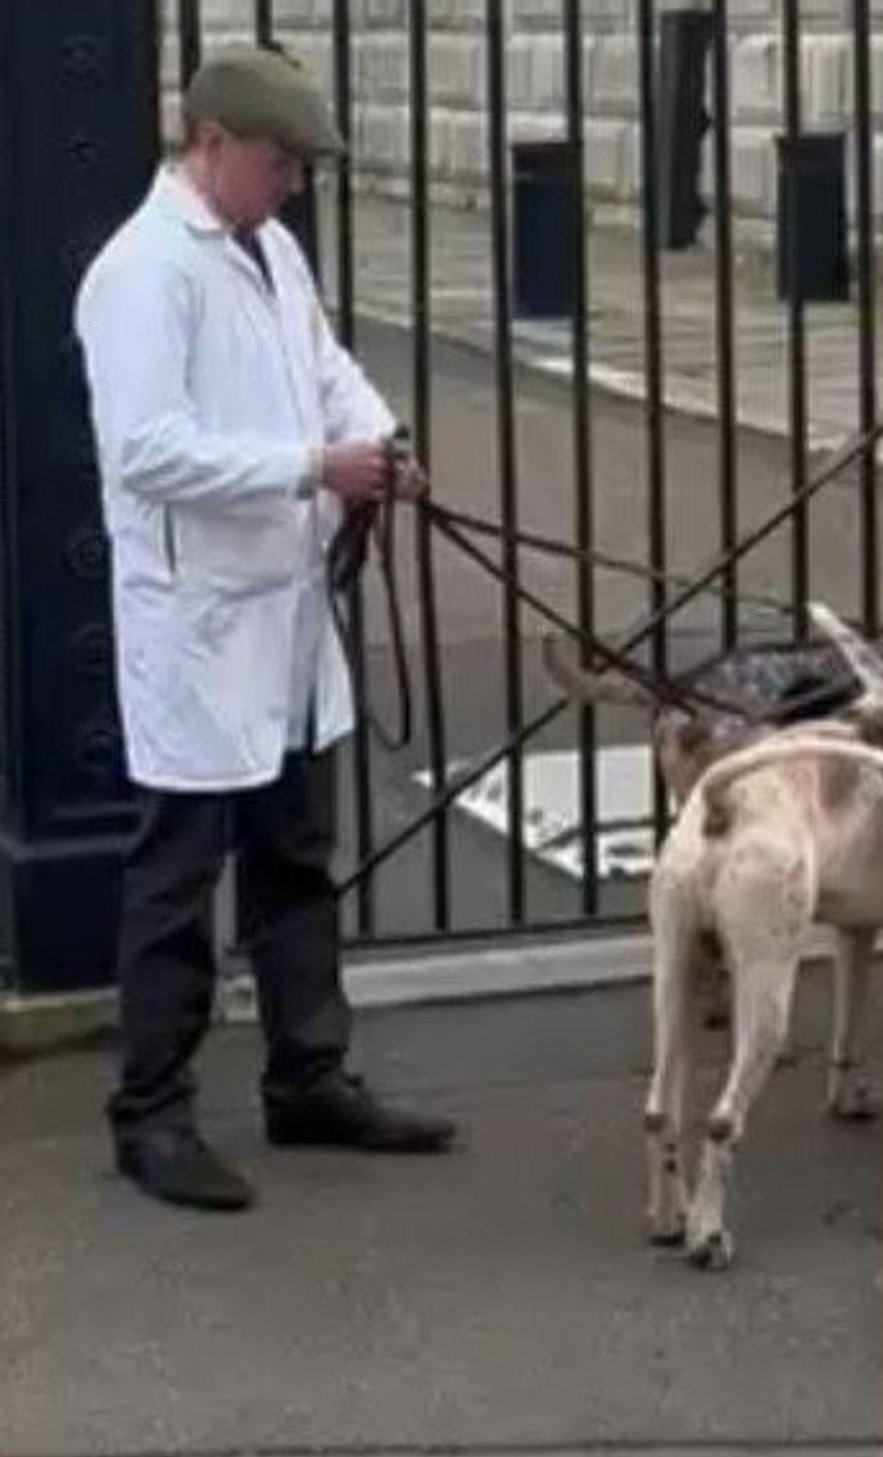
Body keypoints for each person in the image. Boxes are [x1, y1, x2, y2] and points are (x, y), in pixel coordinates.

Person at [74, 46, 456, 1211]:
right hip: (198, 624)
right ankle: (151, 1114)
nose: (291, 182)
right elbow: (146, 449)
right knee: (179, 879)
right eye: (279, 160)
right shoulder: (142, 271)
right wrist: (311, 466)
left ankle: (309, 1076)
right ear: (211, 144)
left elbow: (325, 369)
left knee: (296, 858)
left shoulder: (271, 250)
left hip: (284, 610)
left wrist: (379, 443)